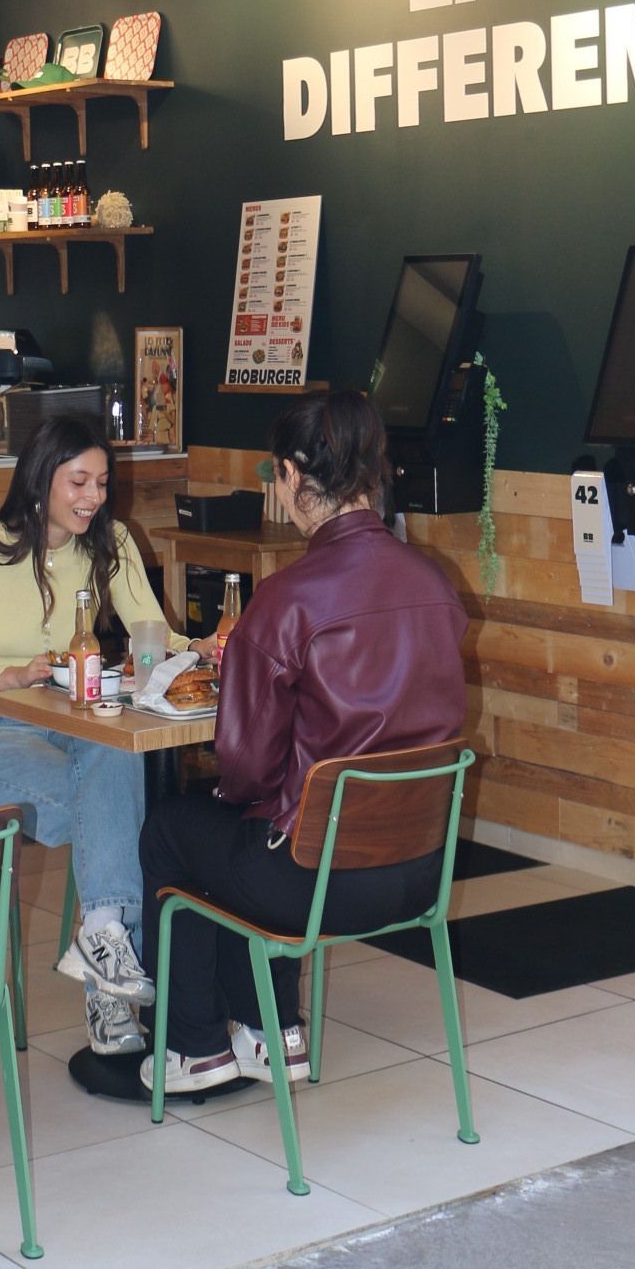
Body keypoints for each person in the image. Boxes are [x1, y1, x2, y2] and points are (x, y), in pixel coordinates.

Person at [139, 391, 469, 1096]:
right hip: (419, 870)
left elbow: (247, 772)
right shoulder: (436, 586)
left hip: (312, 881)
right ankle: (272, 1032)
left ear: (290, 474)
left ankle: (196, 1047)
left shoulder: (286, 600)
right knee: (240, 829)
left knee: (175, 829)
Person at [0, 411, 191, 1058]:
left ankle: (101, 942)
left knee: (114, 748)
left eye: (102, 482)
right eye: (79, 482)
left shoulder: (110, 543)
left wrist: (201, 649)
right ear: (41, 479)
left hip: (74, 721)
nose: (94, 497)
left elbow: (154, 634)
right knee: (126, 818)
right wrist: (7, 675)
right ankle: (108, 975)